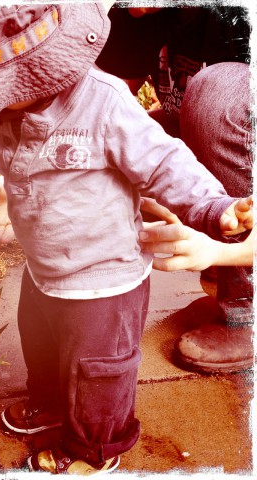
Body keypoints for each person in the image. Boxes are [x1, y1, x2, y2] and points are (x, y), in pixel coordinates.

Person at [0, 3, 253, 474]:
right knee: (43, 345)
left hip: (105, 281)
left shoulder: (104, 104)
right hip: (45, 267)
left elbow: (164, 164)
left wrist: (214, 209)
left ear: (33, 72)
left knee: (98, 373)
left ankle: (97, 447)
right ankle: (51, 404)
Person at [96, 5, 253, 374]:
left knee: (217, 96)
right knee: (120, 143)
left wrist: (223, 249)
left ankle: (247, 308)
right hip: (214, 123)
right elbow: (100, 107)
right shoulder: (138, 14)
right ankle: (226, 280)